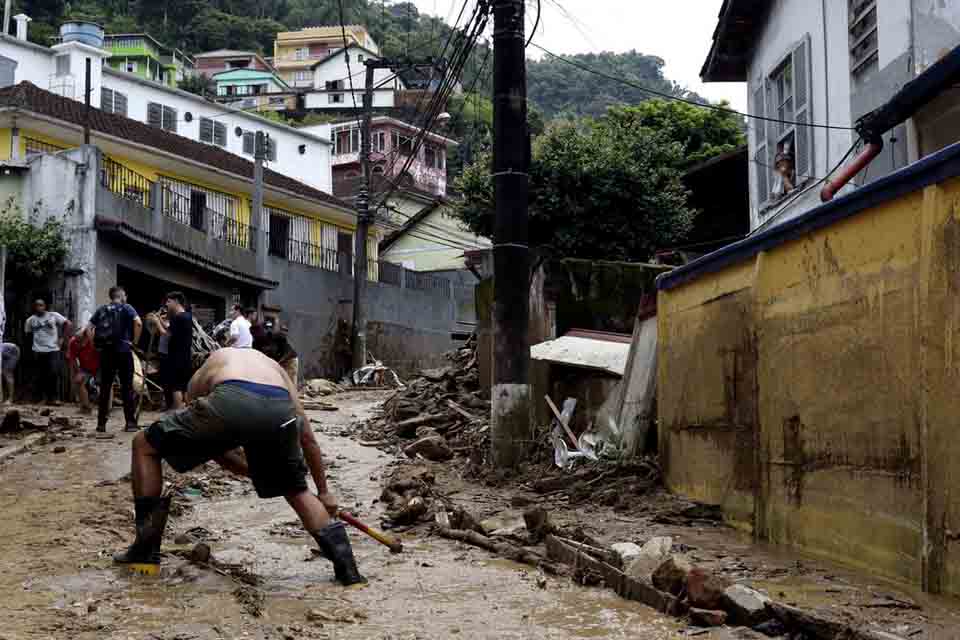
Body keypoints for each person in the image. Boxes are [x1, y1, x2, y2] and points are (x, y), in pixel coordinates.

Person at [114, 348, 365, 586]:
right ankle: (349, 572)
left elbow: (211, 444)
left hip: (231, 397)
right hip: (280, 407)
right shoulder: (274, 369)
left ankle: (145, 553)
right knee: (296, 489)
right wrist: (323, 491)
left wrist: (248, 469)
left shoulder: (205, 371)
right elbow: (307, 436)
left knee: (144, 445)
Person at [89, 286, 142, 433]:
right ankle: (130, 423)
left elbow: (89, 328)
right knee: (127, 387)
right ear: (121, 295)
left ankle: (101, 424)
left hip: (106, 353)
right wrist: (134, 342)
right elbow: (138, 323)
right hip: (124, 351)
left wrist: (95, 346)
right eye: (125, 295)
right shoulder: (127, 307)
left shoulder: (101, 309)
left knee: (105, 387)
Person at [151, 292, 193, 411]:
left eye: (169, 301)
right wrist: (159, 318)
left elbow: (166, 334)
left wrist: (156, 322)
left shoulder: (178, 318)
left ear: (176, 301)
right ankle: (184, 411)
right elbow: (170, 329)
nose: (166, 304)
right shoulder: (186, 316)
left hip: (176, 357)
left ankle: (177, 411)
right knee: (182, 386)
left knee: (176, 387)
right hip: (184, 356)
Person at [24, 299, 71, 405]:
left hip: (53, 349)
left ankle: (54, 398)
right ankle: (40, 398)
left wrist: (62, 339)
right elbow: (27, 335)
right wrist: (30, 350)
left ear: (45, 306)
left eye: (41, 305)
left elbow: (67, 324)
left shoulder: (53, 315)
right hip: (37, 350)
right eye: (36, 305)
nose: (38, 307)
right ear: (34, 307)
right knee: (39, 375)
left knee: (53, 373)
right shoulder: (30, 320)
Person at [255, 318, 300, 389]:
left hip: (290, 360)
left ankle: (292, 397)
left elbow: (288, 352)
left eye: (270, 328)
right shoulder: (261, 339)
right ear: (263, 329)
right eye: (266, 328)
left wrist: (279, 362)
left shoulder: (279, 337)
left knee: (290, 382)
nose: (268, 330)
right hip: (279, 361)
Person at [67, 328, 99, 414]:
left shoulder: (95, 341)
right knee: (78, 381)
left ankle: (106, 409)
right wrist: (77, 373)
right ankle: (86, 407)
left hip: (100, 367)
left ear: (87, 338)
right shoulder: (73, 342)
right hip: (85, 367)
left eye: (80, 341)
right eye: (76, 340)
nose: (78, 343)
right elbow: (72, 360)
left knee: (106, 383)